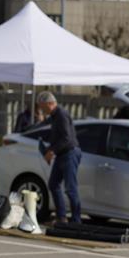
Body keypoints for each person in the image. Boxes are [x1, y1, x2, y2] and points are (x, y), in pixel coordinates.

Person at [37, 91, 82, 223]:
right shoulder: (54, 116)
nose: (41, 109)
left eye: (43, 106)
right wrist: (48, 149)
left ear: (50, 104)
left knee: (70, 188)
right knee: (53, 184)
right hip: (62, 153)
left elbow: (67, 139)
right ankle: (61, 217)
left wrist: (52, 151)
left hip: (70, 153)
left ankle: (76, 220)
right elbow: (56, 137)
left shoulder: (61, 114)